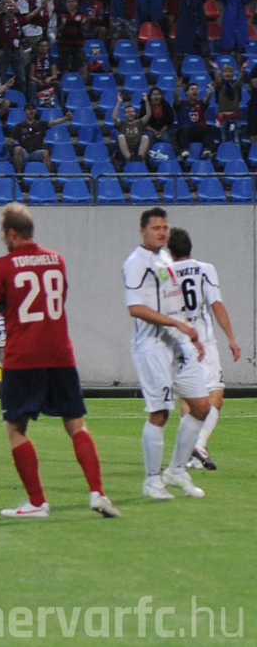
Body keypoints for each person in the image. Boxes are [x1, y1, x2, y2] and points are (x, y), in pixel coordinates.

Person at [0, 203, 117, 519]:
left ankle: (37, 502)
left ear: (12, 234)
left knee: (16, 427)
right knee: (76, 424)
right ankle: (97, 492)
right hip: (60, 354)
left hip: (24, 356)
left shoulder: (2, 266)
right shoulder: (57, 260)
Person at [122, 207, 211, 500]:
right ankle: (151, 481)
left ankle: (175, 471)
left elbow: (173, 301)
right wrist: (176, 324)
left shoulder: (165, 258)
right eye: (156, 228)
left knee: (201, 406)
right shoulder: (135, 263)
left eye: (165, 227)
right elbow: (135, 308)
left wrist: (189, 332)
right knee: (160, 412)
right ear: (143, 231)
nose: (162, 232)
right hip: (152, 346)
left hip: (178, 342)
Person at [162, 228, 239, 473]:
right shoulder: (205, 269)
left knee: (189, 398)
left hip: (178, 341)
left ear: (170, 251)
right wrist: (231, 337)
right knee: (215, 394)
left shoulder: (165, 273)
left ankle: (189, 455)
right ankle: (200, 444)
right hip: (203, 340)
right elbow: (216, 304)